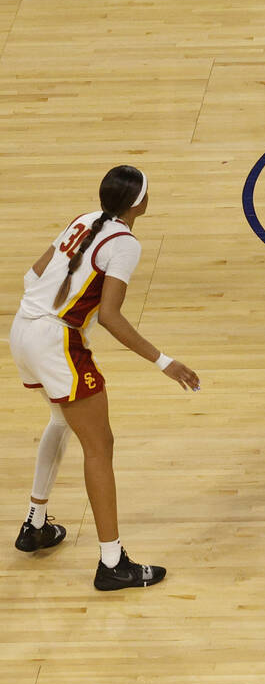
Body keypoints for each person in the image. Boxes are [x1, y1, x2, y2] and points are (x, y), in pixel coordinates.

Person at [9, 166, 200, 590]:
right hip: (55, 341)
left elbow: (33, 274)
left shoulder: (81, 219)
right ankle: (112, 563)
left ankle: (35, 523)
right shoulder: (126, 244)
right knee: (100, 447)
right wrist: (163, 361)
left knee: (61, 421)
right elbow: (112, 316)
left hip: (22, 329)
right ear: (139, 204)